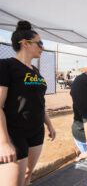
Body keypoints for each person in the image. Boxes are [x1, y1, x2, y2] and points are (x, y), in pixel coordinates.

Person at [0, 21, 56, 186]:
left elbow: (39, 102)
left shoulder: (35, 71)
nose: (42, 47)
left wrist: (50, 125)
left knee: (27, 175)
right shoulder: (6, 66)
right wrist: (3, 142)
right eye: (40, 43)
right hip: (14, 134)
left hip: (36, 132)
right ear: (25, 44)